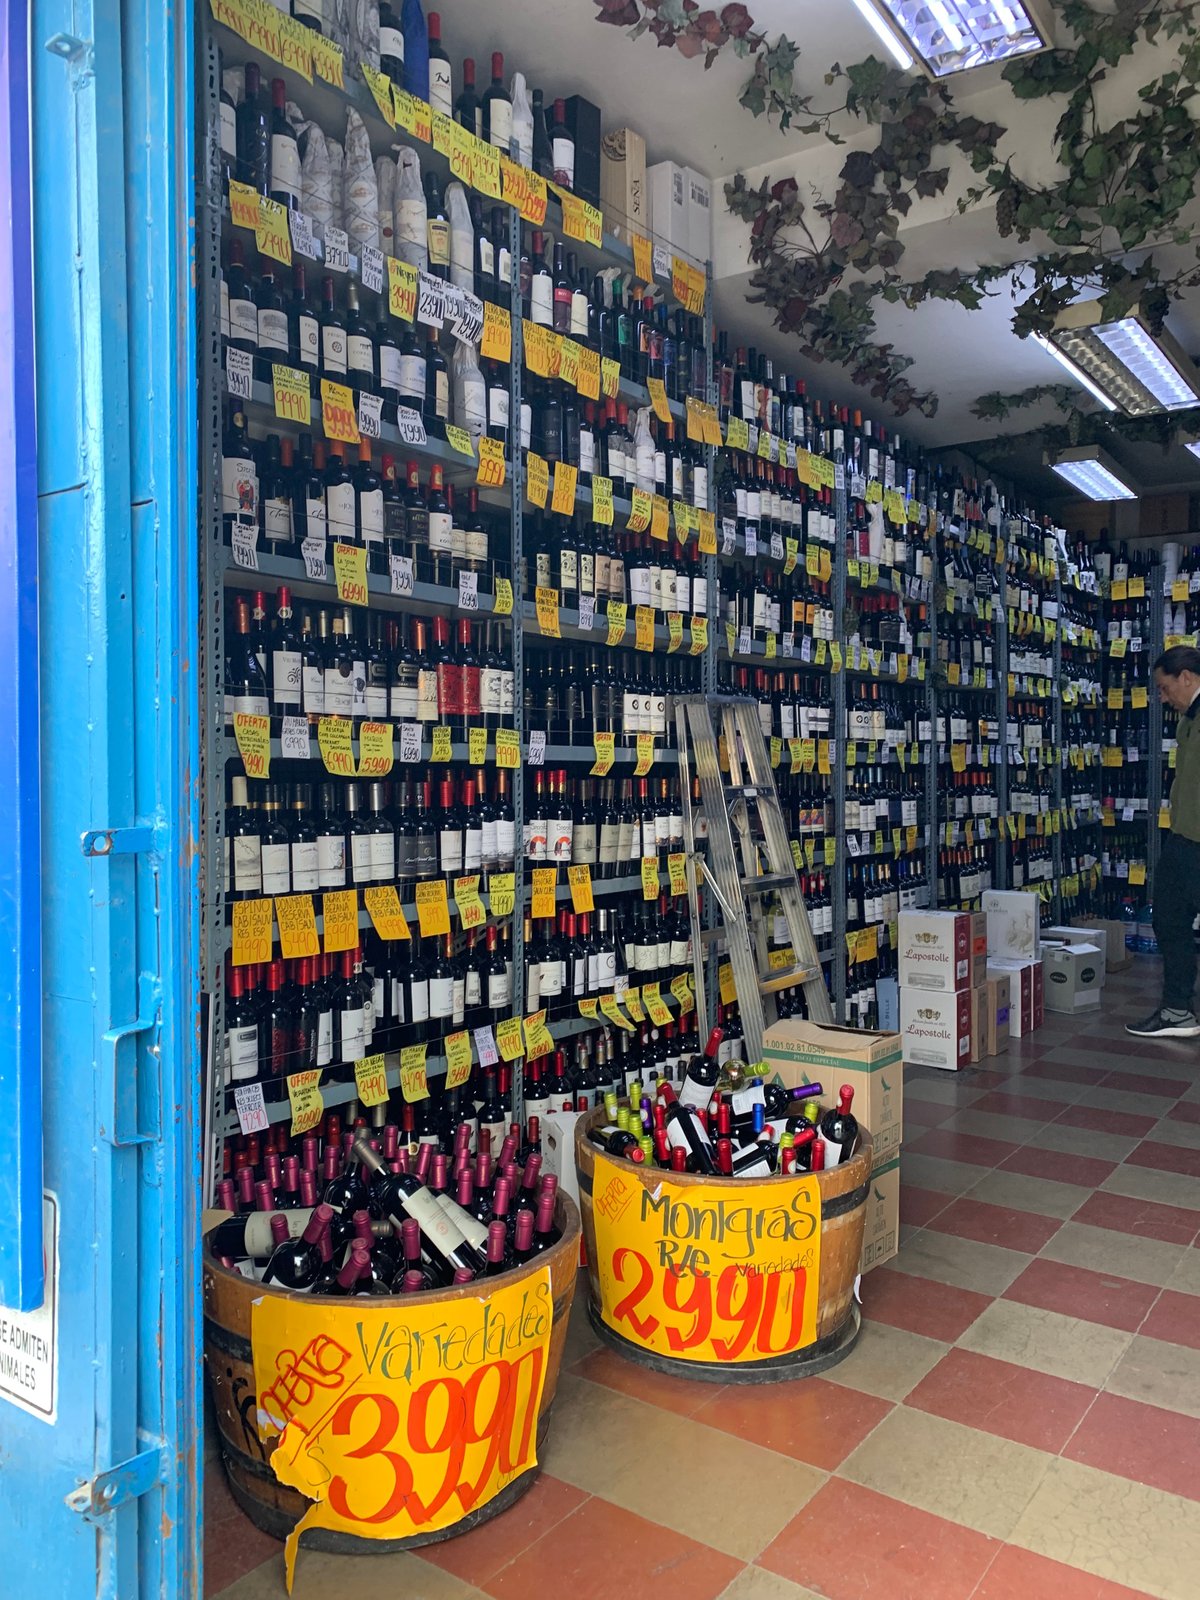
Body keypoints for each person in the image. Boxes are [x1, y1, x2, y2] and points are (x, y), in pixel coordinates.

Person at [1128, 644, 1200, 1037]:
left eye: (1164, 686)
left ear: (1185, 678)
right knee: (1168, 918)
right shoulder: (1188, 720)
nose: (1161, 696)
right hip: (1183, 839)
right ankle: (1177, 1011)